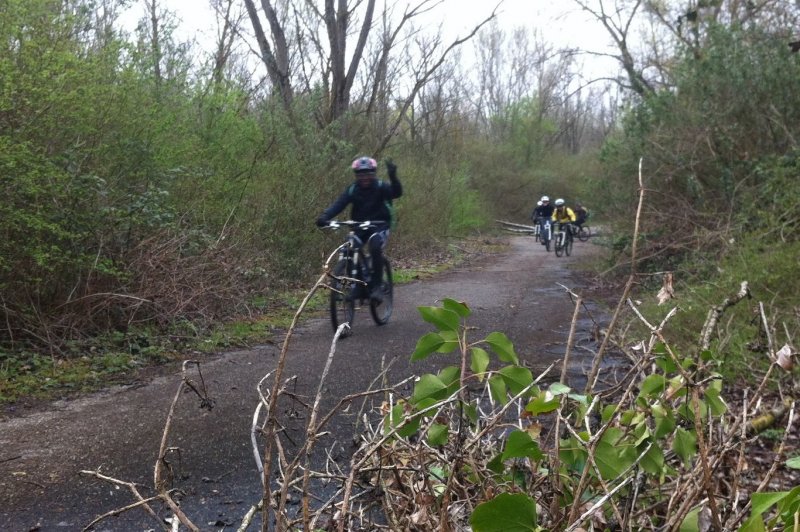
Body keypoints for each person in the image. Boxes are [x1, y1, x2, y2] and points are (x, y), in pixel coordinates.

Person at [316, 156, 402, 302]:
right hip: (359, 226)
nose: (364, 178)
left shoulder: (381, 186)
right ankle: (358, 287)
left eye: (368, 174)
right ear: (356, 175)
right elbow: (339, 204)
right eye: (361, 175)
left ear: (373, 174)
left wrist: (393, 176)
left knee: (375, 246)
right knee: (349, 248)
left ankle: (377, 287)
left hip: (379, 225)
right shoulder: (353, 189)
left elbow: (396, 193)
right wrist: (325, 217)